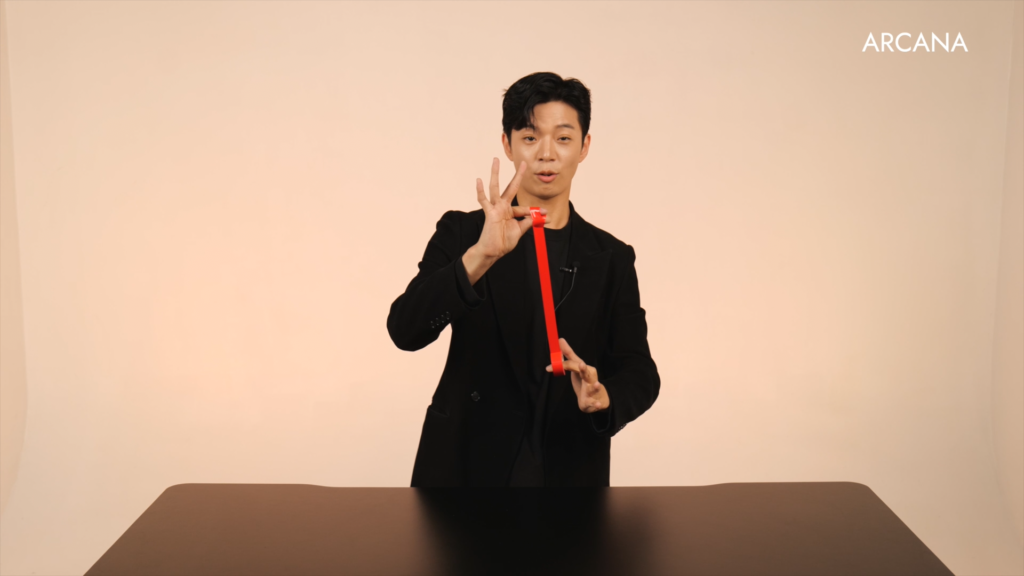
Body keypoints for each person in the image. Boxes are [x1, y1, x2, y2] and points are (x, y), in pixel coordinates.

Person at [387, 72, 660, 487]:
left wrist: (605, 397)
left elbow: (639, 370)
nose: (546, 154)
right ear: (507, 143)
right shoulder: (462, 233)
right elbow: (405, 330)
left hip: (569, 472)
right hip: (464, 469)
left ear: (584, 146)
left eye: (563, 138)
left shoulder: (611, 257)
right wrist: (479, 257)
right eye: (530, 137)